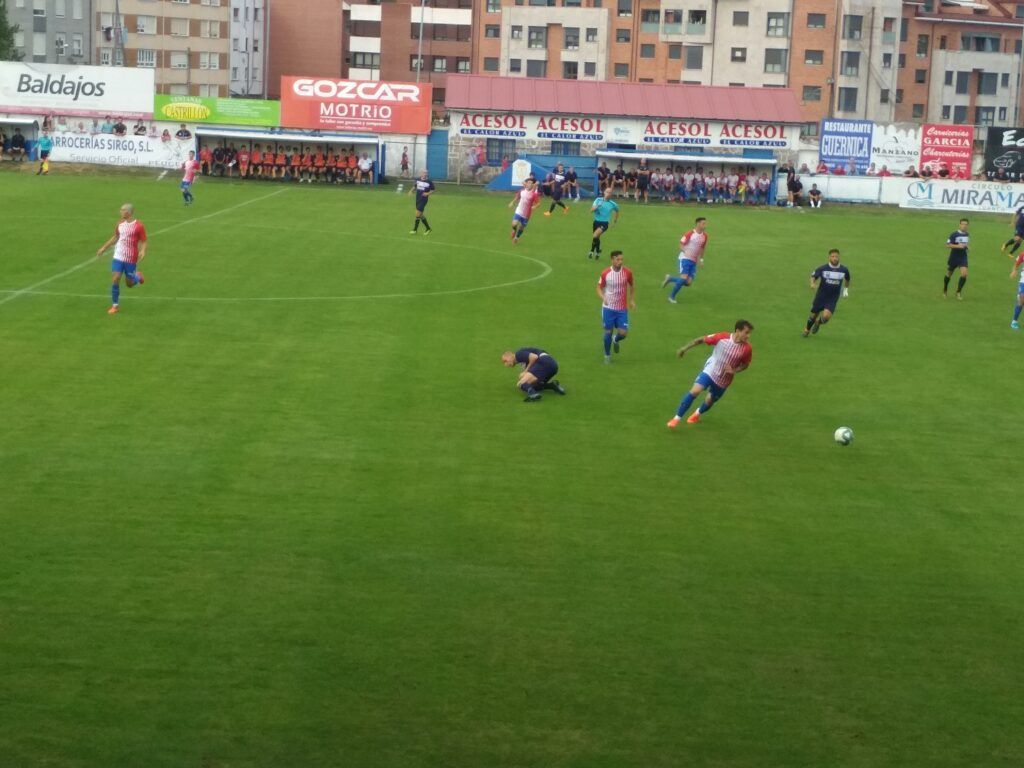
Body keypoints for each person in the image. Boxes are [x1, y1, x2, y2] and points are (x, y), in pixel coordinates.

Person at [667, 320, 754, 427]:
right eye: (746, 332)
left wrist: (734, 370)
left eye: (749, 333)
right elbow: (701, 340)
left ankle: (697, 413)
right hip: (711, 370)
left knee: (709, 401)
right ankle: (676, 418)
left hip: (724, 380)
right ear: (738, 331)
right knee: (695, 391)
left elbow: (745, 365)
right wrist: (685, 348)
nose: (748, 336)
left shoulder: (747, 349)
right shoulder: (722, 337)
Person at [96, 203, 148, 315]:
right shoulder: (120, 223)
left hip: (131, 258)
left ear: (128, 212)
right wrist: (103, 248)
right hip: (118, 255)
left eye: (122, 210)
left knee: (129, 284)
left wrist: (143, 251)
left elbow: (144, 241)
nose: (120, 211)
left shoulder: (139, 226)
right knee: (116, 278)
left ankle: (137, 277)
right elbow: (116, 237)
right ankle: (115, 306)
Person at [597, 250, 636, 364]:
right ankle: (607, 355)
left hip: (621, 309)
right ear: (612, 260)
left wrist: (632, 300)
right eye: (618, 259)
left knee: (623, 333)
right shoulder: (605, 273)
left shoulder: (627, 272)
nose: (620, 261)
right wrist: (603, 297)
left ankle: (616, 339)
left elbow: (632, 285)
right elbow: (599, 287)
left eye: (621, 259)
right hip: (608, 308)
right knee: (608, 332)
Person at [803, 249, 851, 337]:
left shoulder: (844, 269)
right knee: (813, 315)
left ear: (839, 257)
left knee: (826, 317)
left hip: (832, 298)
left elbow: (847, 279)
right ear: (829, 257)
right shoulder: (823, 268)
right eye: (832, 256)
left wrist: (845, 290)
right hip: (821, 296)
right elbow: (813, 276)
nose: (835, 258)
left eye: (836, 256)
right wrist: (812, 283)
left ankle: (818, 323)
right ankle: (807, 330)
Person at [662, 217, 708, 303]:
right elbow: (681, 244)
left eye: (705, 223)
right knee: (683, 278)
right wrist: (685, 251)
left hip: (693, 261)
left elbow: (702, 248)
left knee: (688, 282)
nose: (705, 225)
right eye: (703, 223)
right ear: (698, 224)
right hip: (685, 258)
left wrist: (701, 260)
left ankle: (670, 279)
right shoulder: (690, 234)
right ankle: (671, 297)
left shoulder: (705, 236)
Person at [501, 348, 566, 402]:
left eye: (505, 361)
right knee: (534, 386)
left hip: (544, 362)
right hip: (553, 366)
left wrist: (526, 371)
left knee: (520, 384)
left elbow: (534, 357)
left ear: (510, 356)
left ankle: (533, 394)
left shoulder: (518, 354)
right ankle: (553, 385)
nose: (506, 364)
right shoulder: (522, 360)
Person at [588, 187, 620, 260]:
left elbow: (617, 211)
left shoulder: (613, 204)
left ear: (611, 194)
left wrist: (615, 221)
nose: (608, 194)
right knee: (596, 237)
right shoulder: (598, 200)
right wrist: (597, 206)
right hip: (596, 222)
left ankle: (593, 251)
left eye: (610, 193)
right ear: (604, 192)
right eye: (607, 192)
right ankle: (597, 251)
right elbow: (591, 210)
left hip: (604, 223)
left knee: (595, 235)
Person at [508, 178, 542, 243]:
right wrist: (512, 202)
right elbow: (517, 197)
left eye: (531, 183)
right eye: (528, 183)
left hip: (526, 214)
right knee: (514, 224)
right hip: (519, 211)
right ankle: (514, 230)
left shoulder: (534, 194)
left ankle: (516, 238)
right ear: (526, 184)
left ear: (532, 185)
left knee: (521, 227)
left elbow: (538, 203)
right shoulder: (522, 191)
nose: (529, 184)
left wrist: (534, 206)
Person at [944, 218, 970, 300]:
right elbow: (948, 245)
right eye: (963, 224)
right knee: (949, 273)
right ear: (959, 225)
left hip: (963, 257)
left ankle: (958, 292)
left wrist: (967, 247)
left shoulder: (967, 234)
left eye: (966, 224)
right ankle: (945, 289)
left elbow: (964, 244)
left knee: (964, 274)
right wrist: (958, 246)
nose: (964, 226)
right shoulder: (954, 234)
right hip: (954, 257)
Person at [410, 169, 435, 234]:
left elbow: (433, 190)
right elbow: (415, 186)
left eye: (426, 173)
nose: (425, 174)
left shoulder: (429, 181)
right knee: (420, 215)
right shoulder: (418, 179)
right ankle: (428, 229)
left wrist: (427, 194)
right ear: (421, 173)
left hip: (423, 200)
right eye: (424, 173)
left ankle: (415, 230)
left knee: (417, 213)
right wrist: (411, 191)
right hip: (418, 199)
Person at [1010, 252, 1024, 329]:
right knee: (1022, 299)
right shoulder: (1023, 254)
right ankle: (1014, 321)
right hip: (1023, 281)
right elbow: (1017, 263)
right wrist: (1014, 270)